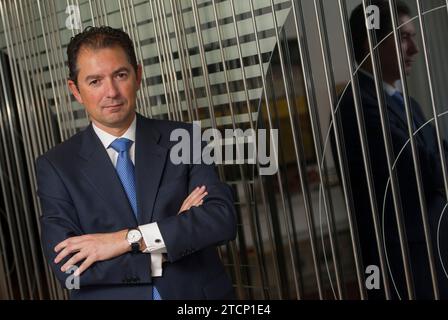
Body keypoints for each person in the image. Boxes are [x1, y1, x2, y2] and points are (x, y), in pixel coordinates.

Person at [36, 26, 237, 300]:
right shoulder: (56, 166)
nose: (112, 92)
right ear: (75, 90)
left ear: (138, 75)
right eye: (95, 81)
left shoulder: (184, 139)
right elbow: (71, 268)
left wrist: (121, 241)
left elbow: (220, 220)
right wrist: (166, 245)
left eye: (120, 75)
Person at [333, 0, 448, 299]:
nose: (415, 49)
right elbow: (422, 168)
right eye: (403, 37)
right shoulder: (356, 106)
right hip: (403, 268)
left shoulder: (407, 103)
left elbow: (439, 158)